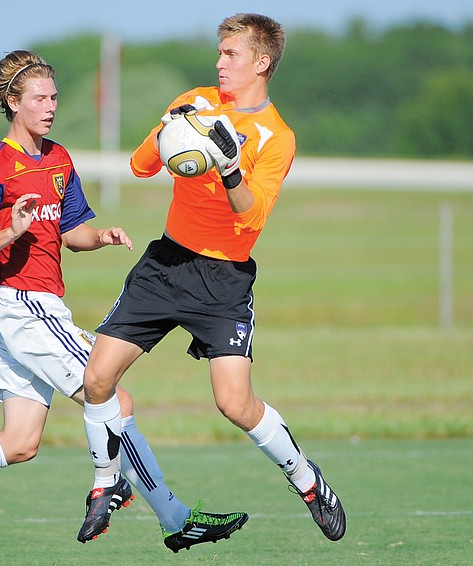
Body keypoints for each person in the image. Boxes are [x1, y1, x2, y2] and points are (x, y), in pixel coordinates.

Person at [0, 49, 247, 557]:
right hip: (25, 307)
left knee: (20, 442)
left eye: (54, 97)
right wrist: (10, 231)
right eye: (39, 98)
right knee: (112, 398)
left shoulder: (60, 158)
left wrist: (100, 237)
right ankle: (167, 516)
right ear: (12, 102)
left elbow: (71, 232)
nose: (50, 107)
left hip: (35, 311)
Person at [77, 13, 346, 544]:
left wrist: (228, 166)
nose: (220, 63)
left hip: (222, 281)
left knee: (235, 404)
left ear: (261, 62)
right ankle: (105, 484)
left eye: (231, 54)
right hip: (165, 266)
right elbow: (140, 166)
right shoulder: (196, 100)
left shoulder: (277, 137)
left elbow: (252, 215)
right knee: (97, 380)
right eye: (219, 52)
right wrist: (169, 129)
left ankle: (308, 481)